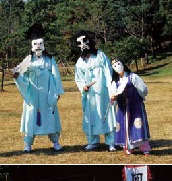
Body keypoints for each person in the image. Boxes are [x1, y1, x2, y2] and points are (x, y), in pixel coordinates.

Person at [13, 23, 64, 153]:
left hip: (48, 94)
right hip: (33, 95)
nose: (38, 47)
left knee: (50, 118)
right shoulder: (28, 60)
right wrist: (17, 76)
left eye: (40, 44)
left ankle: (55, 142)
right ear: (31, 45)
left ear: (44, 44)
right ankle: (28, 144)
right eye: (35, 44)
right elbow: (20, 74)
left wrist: (57, 92)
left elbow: (56, 76)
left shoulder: (50, 60)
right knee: (31, 118)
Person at [74, 31, 116, 151]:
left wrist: (110, 89)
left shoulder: (100, 56)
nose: (83, 45)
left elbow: (108, 72)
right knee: (91, 116)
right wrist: (84, 87)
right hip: (90, 95)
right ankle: (93, 141)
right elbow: (78, 78)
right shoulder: (80, 62)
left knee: (107, 115)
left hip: (103, 93)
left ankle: (111, 142)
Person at [109, 58, 151, 155]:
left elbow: (143, 89)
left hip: (135, 105)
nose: (117, 66)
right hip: (123, 108)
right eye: (114, 66)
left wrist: (140, 97)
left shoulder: (133, 77)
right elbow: (112, 95)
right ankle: (129, 147)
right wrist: (113, 98)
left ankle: (144, 147)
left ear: (123, 64)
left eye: (118, 63)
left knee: (138, 124)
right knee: (125, 125)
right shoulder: (115, 82)